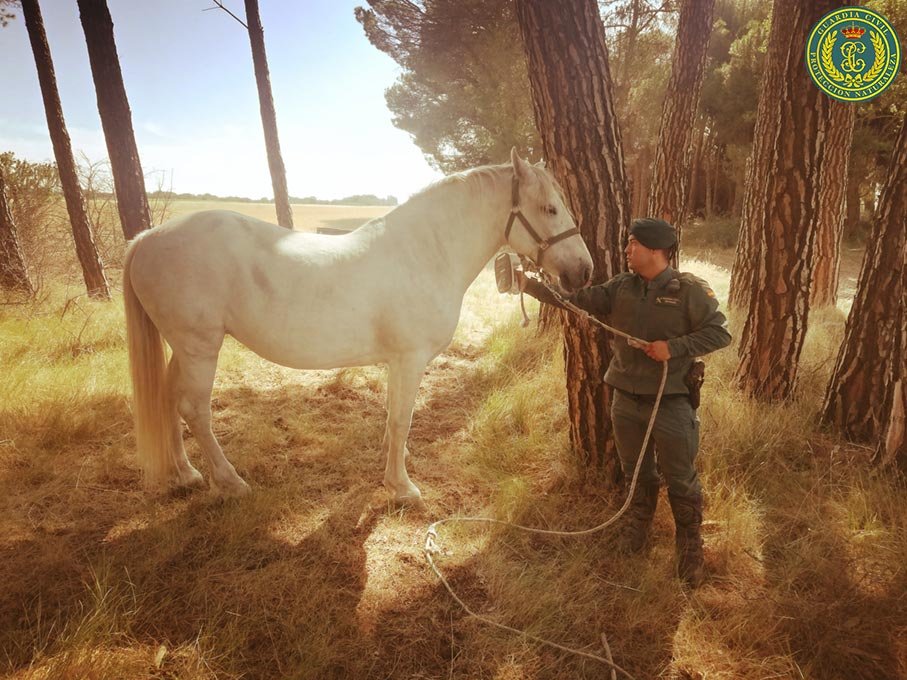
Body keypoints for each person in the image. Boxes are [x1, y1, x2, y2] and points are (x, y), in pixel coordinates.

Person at [516, 218, 731, 587]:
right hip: (625, 401)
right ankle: (637, 528)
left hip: (671, 401)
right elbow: (577, 301)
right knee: (637, 473)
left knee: (680, 477)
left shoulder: (690, 289)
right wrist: (529, 286)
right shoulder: (620, 286)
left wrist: (673, 348)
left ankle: (689, 544)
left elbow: (719, 332)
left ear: (655, 250)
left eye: (633, 244)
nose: (627, 250)